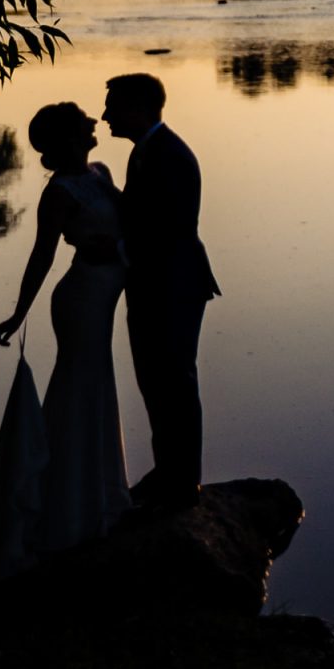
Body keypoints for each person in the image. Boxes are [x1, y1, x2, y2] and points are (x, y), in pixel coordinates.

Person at [0, 102, 132, 563]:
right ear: (70, 137)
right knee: (77, 391)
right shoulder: (59, 193)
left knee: (95, 392)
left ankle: (96, 500)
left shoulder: (101, 173)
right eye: (83, 122)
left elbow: (132, 223)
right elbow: (42, 257)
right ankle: (64, 511)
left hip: (103, 297)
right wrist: (17, 315)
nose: (94, 123)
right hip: (80, 300)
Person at [101, 72, 222, 510]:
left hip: (173, 286)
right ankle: (169, 471)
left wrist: (113, 247)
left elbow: (163, 230)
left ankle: (183, 480)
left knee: (174, 381)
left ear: (137, 106)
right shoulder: (147, 152)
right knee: (157, 381)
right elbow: (141, 213)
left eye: (112, 106)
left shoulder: (167, 155)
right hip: (157, 285)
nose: (105, 115)